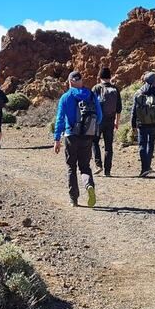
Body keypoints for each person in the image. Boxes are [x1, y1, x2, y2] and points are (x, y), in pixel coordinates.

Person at [53, 70, 102, 207]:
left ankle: (73, 199)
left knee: (71, 167)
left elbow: (60, 119)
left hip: (71, 136)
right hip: (87, 136)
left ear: (70, 82)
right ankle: (89, 185)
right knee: (85, 167)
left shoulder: (66, 97)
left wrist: (57, 139)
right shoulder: (91, 95)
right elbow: (99, 116)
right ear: (81, 81)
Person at [130, 71, 155, 176]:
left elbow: (134, 110)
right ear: (154, 81)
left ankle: (144, 168)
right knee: (150, 144)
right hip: (154, 123)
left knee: (142, 144)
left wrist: (133, 124)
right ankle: (147, 166)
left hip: (141, 123)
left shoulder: (138, 92)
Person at [91, 66, 122, 177]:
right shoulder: (115, 89)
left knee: (95, 142)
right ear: (110, 77)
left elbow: (91, 106)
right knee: (109, 146)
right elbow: (119, 108)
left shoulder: (96, 88)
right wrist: (116, 121)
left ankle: (98, 165)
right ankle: (107, 170)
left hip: (98, 121)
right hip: (110, 121)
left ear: (100, 77)